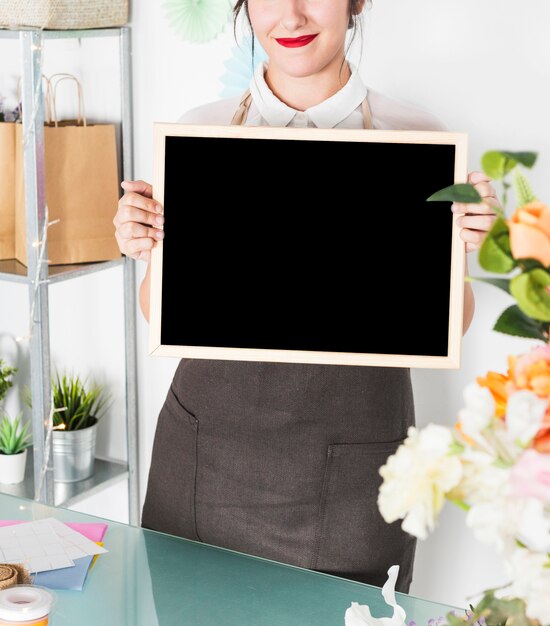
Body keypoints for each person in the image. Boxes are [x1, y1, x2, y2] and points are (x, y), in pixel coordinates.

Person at [113, 0, 499, 594]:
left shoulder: (421, 141)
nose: (290, 16)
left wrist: (465, 249)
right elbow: (158, 313)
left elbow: (450, 326)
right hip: (203, 457)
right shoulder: (198, 132)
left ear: (357, 2)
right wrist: (145, 246)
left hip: (355, 473)